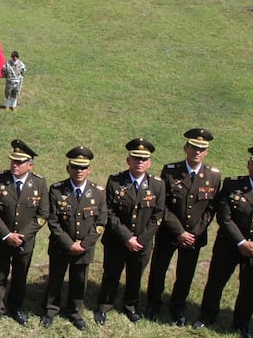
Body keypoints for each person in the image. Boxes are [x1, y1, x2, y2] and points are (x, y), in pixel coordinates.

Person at [193, 146, 253, 338]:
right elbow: (224, 217)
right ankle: (207, 316)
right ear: (249, 165)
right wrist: (241, 243)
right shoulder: (232, 185)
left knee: (249, 289)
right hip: (229, 245)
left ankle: (242, 323)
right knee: (215, 282)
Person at [145, 129, 221, 326]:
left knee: (185, 274)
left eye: (201, 149)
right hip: (169, 232)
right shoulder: (170, 170)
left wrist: (193, 233)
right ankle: (153, 304)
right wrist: (179, 232)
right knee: (158, 270)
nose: (197, 151)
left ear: (207, 152)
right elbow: (163, 205)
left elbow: (211, 208)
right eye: (193, 147)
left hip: (195, 236)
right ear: (186, 148)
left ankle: (177, 307)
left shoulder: (213, 176)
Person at [94, 139, 165, 325]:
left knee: (135, 276)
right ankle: (104, 305)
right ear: (128, 160)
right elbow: (108, 211)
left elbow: (157, 215)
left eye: (144, 159)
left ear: (149, 163)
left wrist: (140, 239)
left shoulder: (157, 185)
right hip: (117, 240)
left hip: (143, 242)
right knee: (111, 274)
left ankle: (131, 306)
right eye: (136, 158)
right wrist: (127, 237)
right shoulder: (115, 181)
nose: (139, 162)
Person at [0, 139, 49, 330]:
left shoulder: (39, 183)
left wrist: (22, 236)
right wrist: (6, 235)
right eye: (13, 161)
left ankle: (15, 307)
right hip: (1, 240)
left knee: (20, 275)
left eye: (19, 162)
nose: (15, 165)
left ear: (30, 165)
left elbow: (43, 215)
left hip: (25, 242)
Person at [40, 146, 107, 331]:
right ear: (68, 168)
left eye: (83, 167)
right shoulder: (56, 190)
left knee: (79, 281)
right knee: (55, 278)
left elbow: (101, 222)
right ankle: (50, 310)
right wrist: (69, 244)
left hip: (84, 248)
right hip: (61, 246)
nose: (79, 171)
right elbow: (52, 221)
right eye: (75, 167)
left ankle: (75, 312)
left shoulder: (98, 192)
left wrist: (83, 244)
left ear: (89, 169)